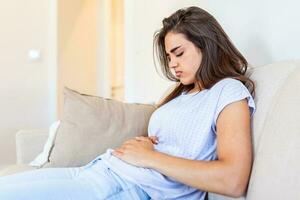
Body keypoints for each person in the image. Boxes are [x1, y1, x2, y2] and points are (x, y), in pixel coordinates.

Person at [0, 6, 256, 200]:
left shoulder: (227, 91)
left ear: (207, 46)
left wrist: (150, 157)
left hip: (129, 187)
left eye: (179, 53)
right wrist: (148, 146)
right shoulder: (182, 93)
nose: (173, 64)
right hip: (101, 170)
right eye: (169, 57)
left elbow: (233, 180)